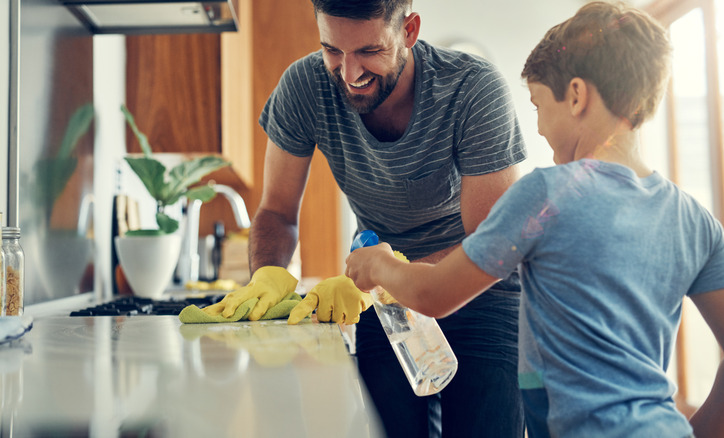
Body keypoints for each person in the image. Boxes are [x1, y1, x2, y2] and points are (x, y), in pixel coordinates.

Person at [345, 2, 724, 437]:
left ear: (577, 95)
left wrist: (378, 263)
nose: (540, 128)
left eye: (539, 105)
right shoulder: (695, 219)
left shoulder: (547, 196)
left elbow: (434, 295)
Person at [202, 0, 527, 436]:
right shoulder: (305, 86)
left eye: (369, 51)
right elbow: (277, 211)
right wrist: (267, 276)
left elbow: (489, 243)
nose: (349, 73)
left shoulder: (473, 90)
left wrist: (391, 272)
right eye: (333, 50)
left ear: (409, 31)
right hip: (379, 299)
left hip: (477, 294)